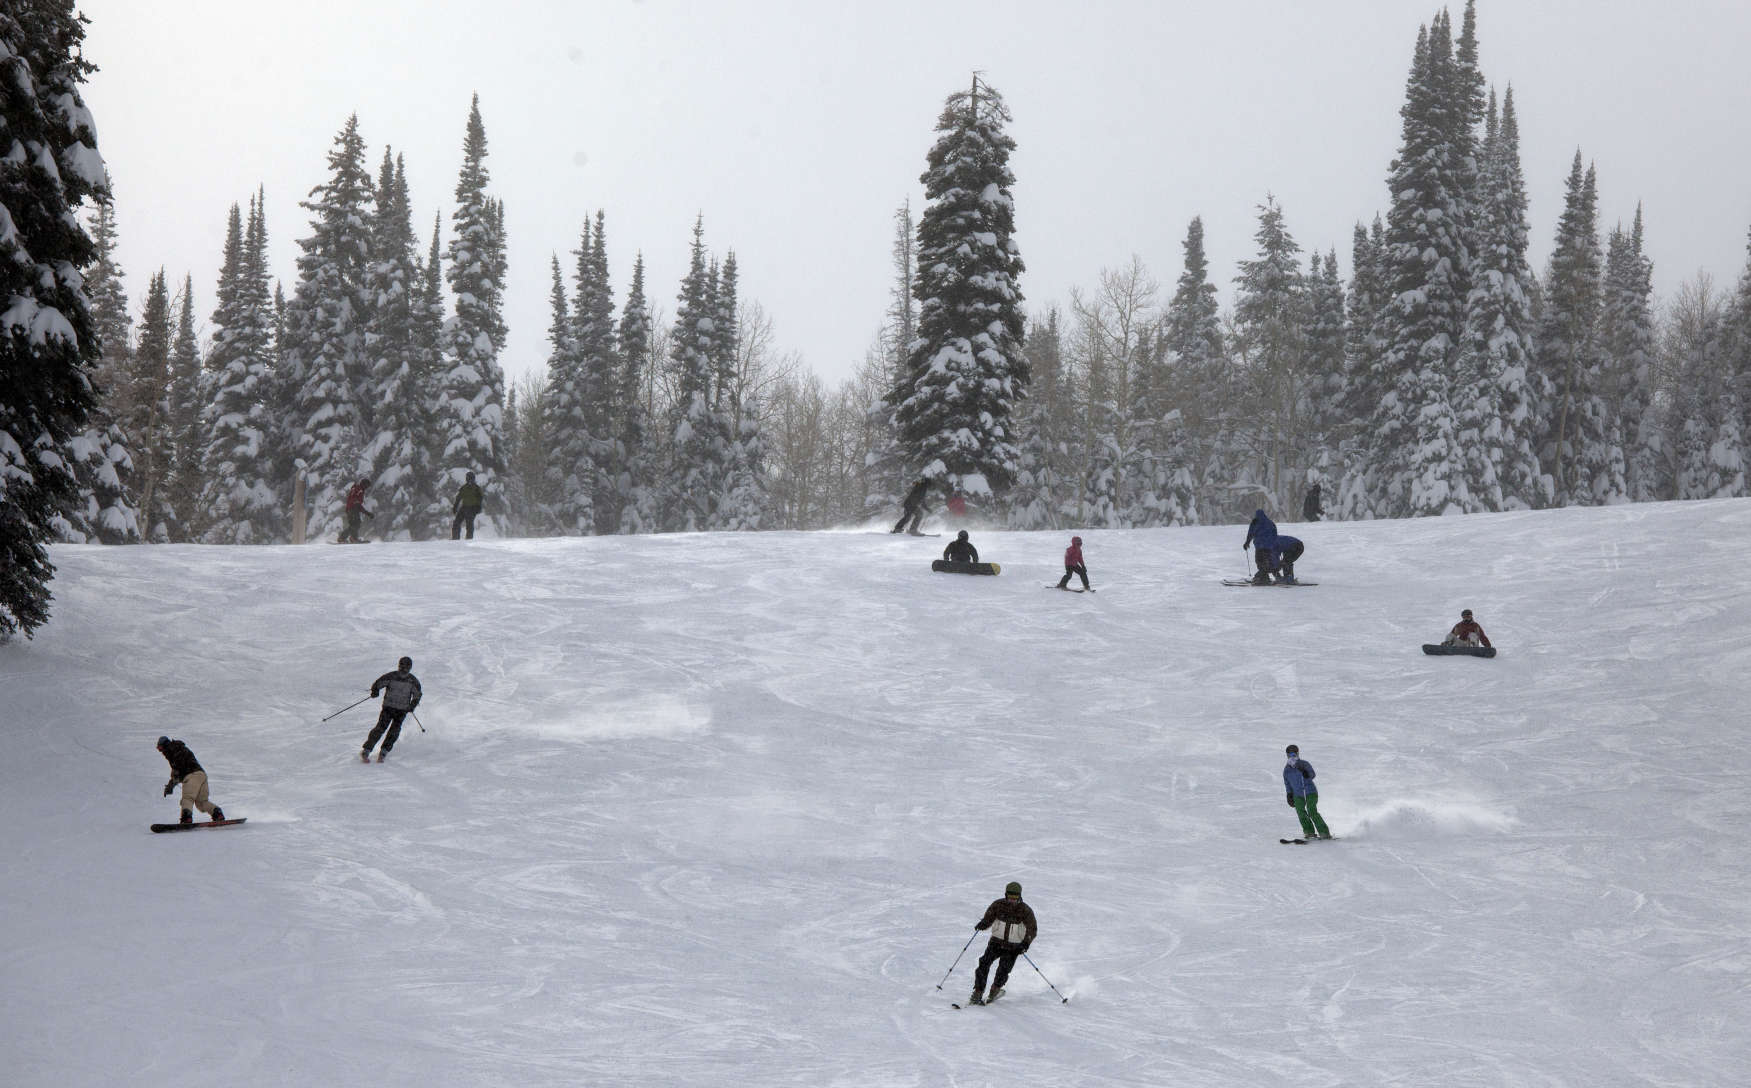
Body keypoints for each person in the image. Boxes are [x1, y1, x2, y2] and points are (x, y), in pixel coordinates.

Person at [969, 881, 1037, 1006]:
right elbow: (989, 918)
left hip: (1014, 947)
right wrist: (983, 924)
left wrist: (1025, 943)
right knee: (984, 963)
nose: (1012, 899)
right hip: (996, 942)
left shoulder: (1025, 910)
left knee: (1003, 970)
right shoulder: (998, 905)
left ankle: (994, 990)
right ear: (1006, 894)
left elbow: (1032, 929)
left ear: (1019, 896)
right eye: (1010, 896)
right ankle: (978, 992)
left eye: (1015, 897)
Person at [362, 656, 422, 762]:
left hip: (401, 710)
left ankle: (384, 751)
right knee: (380, 728)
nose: (404, 669)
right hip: (388, 708)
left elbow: (417, 695)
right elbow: (378, 683)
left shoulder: (412, 681)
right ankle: (367, 750)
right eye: (402, 666)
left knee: (394, 731)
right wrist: (375, 691)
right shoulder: (391, 676)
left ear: (410, 668)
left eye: (406, 667)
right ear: (399, 666)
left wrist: (412, 705)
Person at [157, 736, 224, 825]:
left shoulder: (174, 751)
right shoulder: (178, 749)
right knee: (201, 802)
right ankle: (217, 813)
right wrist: (172, 784)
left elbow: (178, 769)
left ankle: (186, 818)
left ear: (166, 745)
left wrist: (171, 785)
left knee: (187, 798)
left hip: (191, 775)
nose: (161, 751)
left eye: (160, 748)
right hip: (201, 775)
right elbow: (177, 770)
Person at [1283, 744, 1331, 840]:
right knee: (1301, 812)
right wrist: (1289, 794)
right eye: (1290, 755)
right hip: (1297, 794)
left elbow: (1312, 774)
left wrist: (1306, 773)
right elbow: (1287, 784)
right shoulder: (1287, 770)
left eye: (1294, 754)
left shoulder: (1304, 764)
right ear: (1287, 755)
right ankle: (1309, 831)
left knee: (1311, 810)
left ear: (1297, 754)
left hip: (1310, 792)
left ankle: (1324, 832)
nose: (1292, 757)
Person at [1243, 508, 1278, 585]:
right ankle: (1265, 577)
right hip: (1269, 547)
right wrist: (1274, 544)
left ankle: (1261, 578)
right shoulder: (1270, 522)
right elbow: (1275, 533)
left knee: (1259, 562)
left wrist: (1247, 543)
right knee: (1266, 562)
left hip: (1259, 546)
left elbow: (1250, 533)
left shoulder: (1255, 522)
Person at [339, 477, 373, 543]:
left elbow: (358, 505)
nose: (367, 487)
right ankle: (347, 538)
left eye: (368, 486)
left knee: (355, 524)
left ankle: (351, 538)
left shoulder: (360, 490)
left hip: (352, 509)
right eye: (367, 485)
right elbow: (353, 499)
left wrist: (367, 513)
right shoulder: (358, 489)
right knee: (356, 524)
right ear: (363, 484)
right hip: (352, 509)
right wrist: (355, 503)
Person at [451, 471, 484, 540]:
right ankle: (455, 538)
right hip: (464, 507)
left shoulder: (476, 488)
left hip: (472, 508)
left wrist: (478, 507)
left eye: (469, 478)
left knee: (469, 524)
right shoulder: (464, 487)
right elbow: (458, 497)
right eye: (467, 478)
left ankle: (469, 538)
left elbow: (480, 498)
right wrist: (455, 506)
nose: (468, 479)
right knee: (456, 522)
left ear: (473, 478)